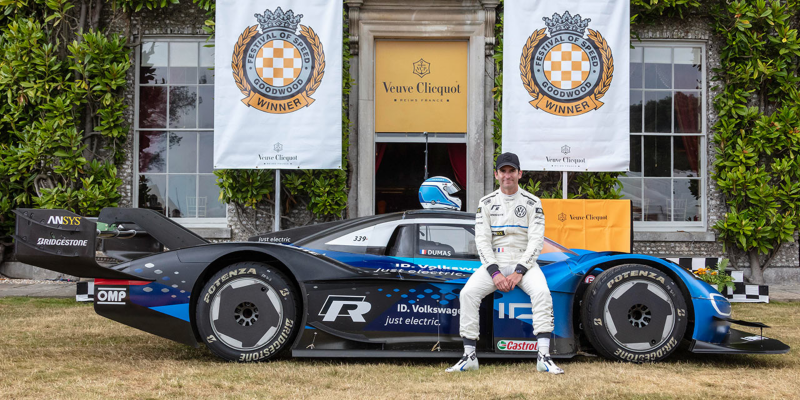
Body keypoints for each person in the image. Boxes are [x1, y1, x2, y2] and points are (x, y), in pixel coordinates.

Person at [446, 152, 564, 374]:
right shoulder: (486, 202)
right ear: (496, 174)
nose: (507, 176)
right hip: (495, 262)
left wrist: (519, 271)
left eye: (512, 171)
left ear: (520, 174)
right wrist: (495, 273)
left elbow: (536, 241)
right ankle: (469, 356)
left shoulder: (533, 202)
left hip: (524, 263)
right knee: (467, 293)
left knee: (542, 293)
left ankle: (544, 357)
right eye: (503, 171)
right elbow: (481, 241)